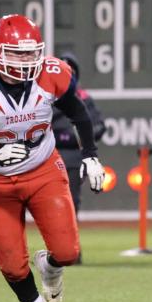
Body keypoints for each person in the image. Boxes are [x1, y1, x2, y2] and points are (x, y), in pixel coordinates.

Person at [0, 14, 105, 302]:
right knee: (11, 262)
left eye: (32, 52)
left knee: (67, 251)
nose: (27, 59)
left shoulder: (51, 75)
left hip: (43, 168)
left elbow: (80, 114)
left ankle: (49, 266)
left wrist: (90, 156)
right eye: (17, 52)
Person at [51, 54, 105, 214]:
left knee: (71, 201)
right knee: (49, 202)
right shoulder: (45, 96)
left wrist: (79, 138)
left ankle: (68, 238)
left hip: (74, 157)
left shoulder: (83, 99)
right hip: (49, 155)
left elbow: (99, 126)